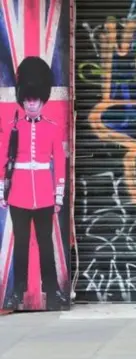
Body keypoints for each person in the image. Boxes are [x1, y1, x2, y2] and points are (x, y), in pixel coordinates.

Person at [0, 56, 67, 309]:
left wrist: (58, 195)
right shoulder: (13, 127)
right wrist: (2, 192)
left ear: (42, 100)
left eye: (35, 99)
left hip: (44, 195)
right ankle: (18, 292)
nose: (31, 103)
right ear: (23, 99)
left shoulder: (52, 127)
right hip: (18, 194)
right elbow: (3, 160)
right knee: (21, 247)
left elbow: (58, 163)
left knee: (46, 245)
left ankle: (52, 291)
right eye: (28, 99)